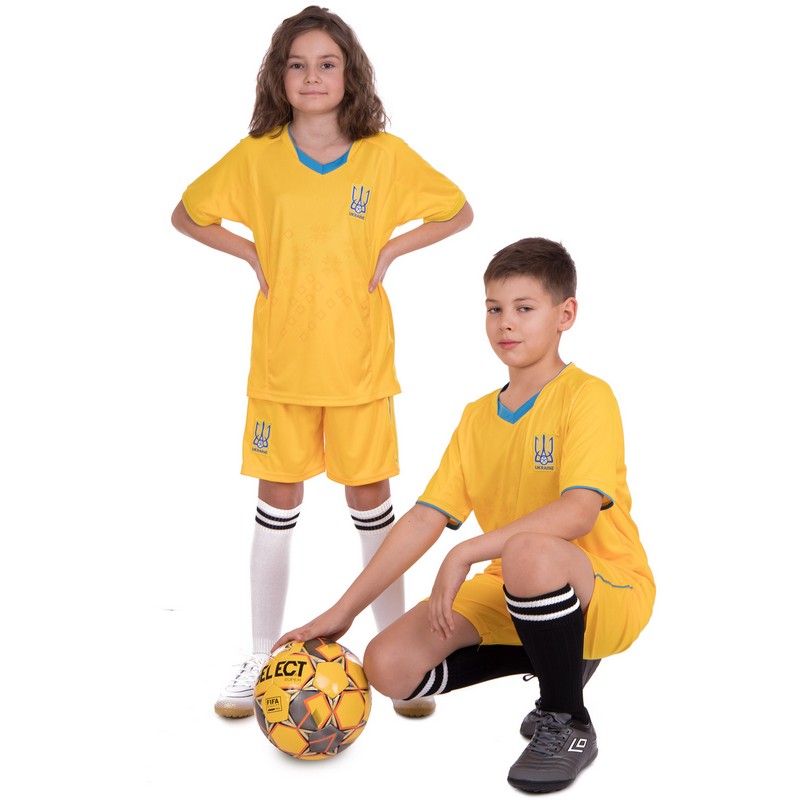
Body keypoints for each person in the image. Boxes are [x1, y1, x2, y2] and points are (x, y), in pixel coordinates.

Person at [171, 5, 473, 719]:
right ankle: (260, 655)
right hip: (282, 367)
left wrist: (391, 248)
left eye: (327, 64)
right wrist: (250, 252)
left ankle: (400, 655)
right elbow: (188, 214)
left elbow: (457, 210)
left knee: (371, 502)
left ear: (349, 74)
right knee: (277, 502)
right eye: (298, 64)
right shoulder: (257, 157)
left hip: (359, 367)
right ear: (279, 77)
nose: (312, 76)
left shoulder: (382, 155)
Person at [276, 237, 655, 793]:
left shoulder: (587, 396)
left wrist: (465, 551)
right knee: (389, 666)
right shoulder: (477, 417)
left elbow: (577, 514)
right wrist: (342, 613)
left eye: (525, 308)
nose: (506, 323)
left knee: (528, 551)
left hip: (608, 588)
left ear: (565, 314)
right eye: (494, 308)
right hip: (518, 586)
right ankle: (560, 658)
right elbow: (422, 520)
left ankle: (566, 719)